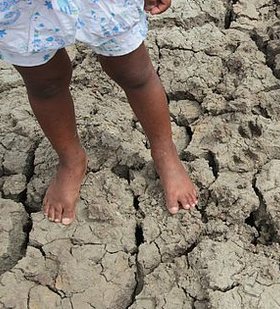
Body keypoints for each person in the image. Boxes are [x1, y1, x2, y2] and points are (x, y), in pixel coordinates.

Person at [0, 0, 198, 224]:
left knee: (135, 73)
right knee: (45, 85)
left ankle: (165, 151)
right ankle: (71, 160)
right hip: (22, 9)